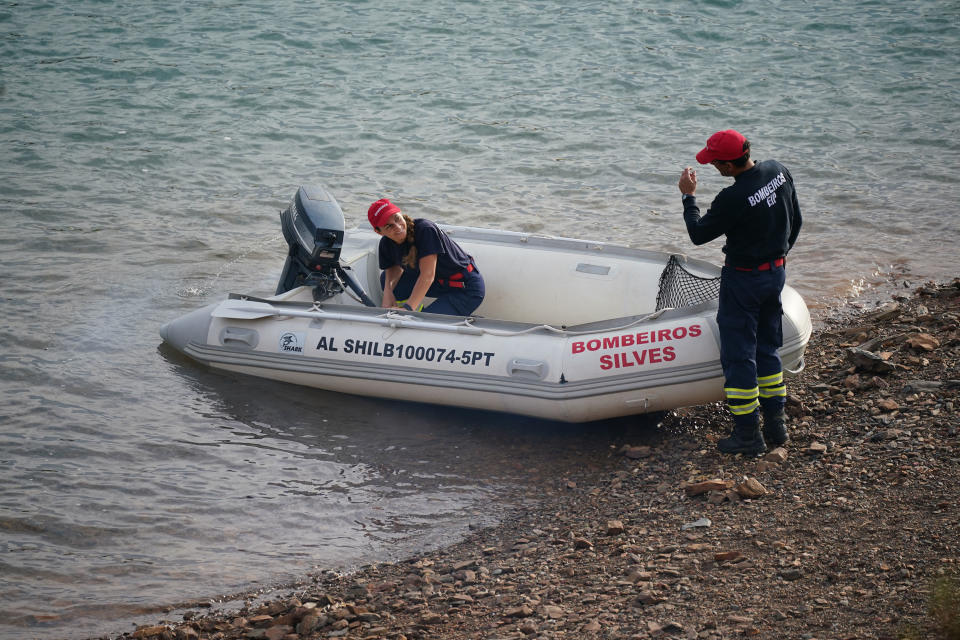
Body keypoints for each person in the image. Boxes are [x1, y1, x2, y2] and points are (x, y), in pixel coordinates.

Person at [677, 130, 802, 455]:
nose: (714, 167)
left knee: (739, 356)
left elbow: (698, 234)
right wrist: (778, 256)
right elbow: (796, 220)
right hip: (775, 273)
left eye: (716, 162)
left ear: (729, 165)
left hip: (743, 280)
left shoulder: (732, 199)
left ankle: (749, 435)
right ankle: (777, 426)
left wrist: (689, 197)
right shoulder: (778, 170)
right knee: (767, 347)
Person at [367, 198, 485, 316]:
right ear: (379, 232)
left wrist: (408, 309)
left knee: (423, 321)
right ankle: (414, 311)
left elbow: (428, 275)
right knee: (386, 281)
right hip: (439, 284)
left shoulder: (426, 230)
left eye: (397, 219)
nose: (397, 227)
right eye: (389, 226)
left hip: (465, 288)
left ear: (401, 214)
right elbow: (395, 269)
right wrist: (388, 292)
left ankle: (418, 313)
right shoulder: (385, 244)